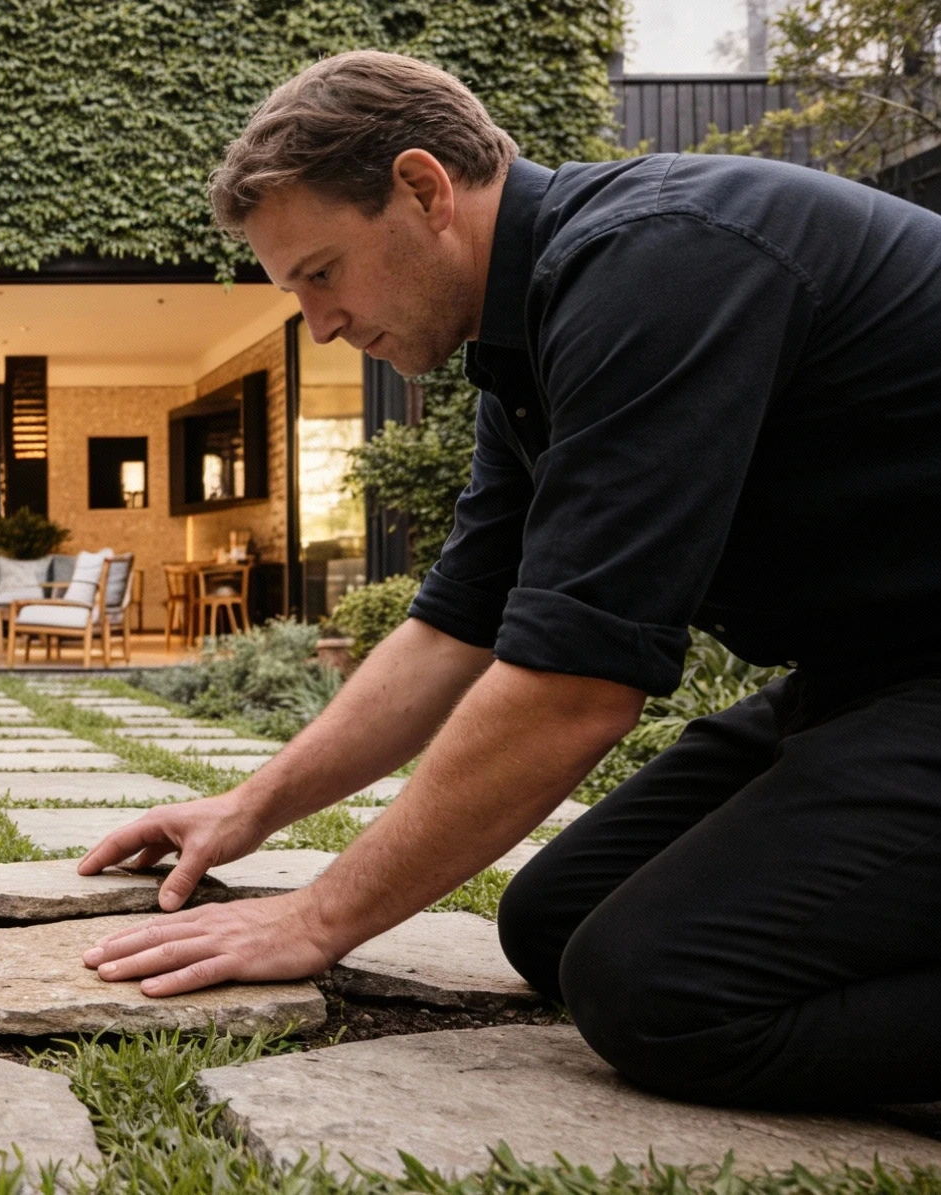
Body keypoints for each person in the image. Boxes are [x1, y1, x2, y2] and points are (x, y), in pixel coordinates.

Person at [77, 49, 941, 1109]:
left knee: (659, 990)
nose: (321, 323)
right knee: (556, 920)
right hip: (874, 677)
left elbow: (573, 688)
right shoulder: (527, 345)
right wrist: (249, 809)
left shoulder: (662, 265)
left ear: (424, 189)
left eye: (321, 271)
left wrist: (319, 916)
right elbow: (456, 627)